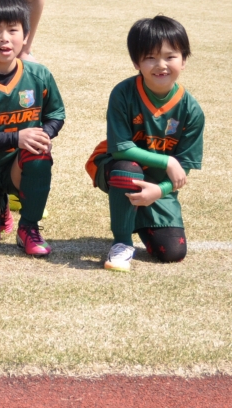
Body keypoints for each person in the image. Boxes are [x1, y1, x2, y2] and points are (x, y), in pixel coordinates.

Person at [88, 16, 203, 272]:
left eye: (170, 56)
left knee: (172, 252)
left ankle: (137, 214)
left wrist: (159, 191)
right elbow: (121, 148)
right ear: (136, 62)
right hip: (117, 166)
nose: (161, 65)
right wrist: (167, 161)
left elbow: (184, 167)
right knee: (127, 168)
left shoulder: (191, 110)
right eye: (150, 57)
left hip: (157, 183)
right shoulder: (123, 93)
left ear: (184, 60)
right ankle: (122, 242)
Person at [0, 0, 66, 256]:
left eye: (13, 30)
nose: (4, 38)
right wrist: (16, 138)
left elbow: (56, 114)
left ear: (26, 35)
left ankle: (28, 227)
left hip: (21, 165)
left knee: (38, 151)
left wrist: (43, 135)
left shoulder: (39, 74)